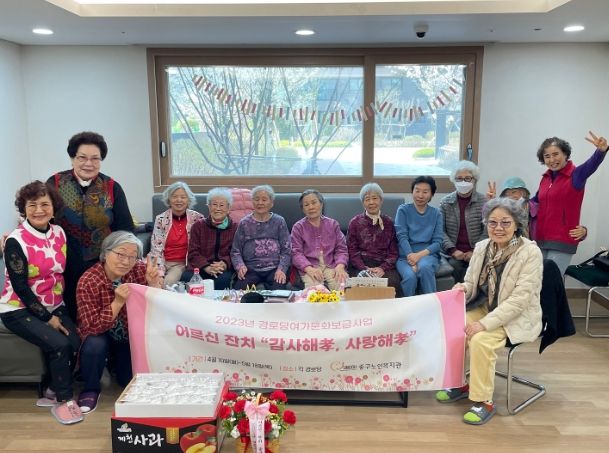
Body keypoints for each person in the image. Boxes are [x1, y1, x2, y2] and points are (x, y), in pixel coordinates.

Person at [435, 197, 543, 425]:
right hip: (484, 305)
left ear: (517, 224)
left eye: (505, 222)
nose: (498, 228)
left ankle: (484, 401)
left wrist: (483, 324)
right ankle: (460, 383)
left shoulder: (530, 253)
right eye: (493, 222)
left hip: (515, 316)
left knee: (480, 340)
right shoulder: (483, 247)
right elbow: (471, 282)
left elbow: (519, 301)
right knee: (454, 329)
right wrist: (463, 288)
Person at [0, 181, 83, 425]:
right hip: (18, 308)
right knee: (60, 345)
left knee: (75, 342)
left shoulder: (59, 233)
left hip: (54, 303)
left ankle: (52, 389)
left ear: (53, 207)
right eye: (32, 205)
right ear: (23, 209)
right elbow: (21, 288)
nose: (39, 210)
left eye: (45, 204)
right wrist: (48, 318)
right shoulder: (16, 241)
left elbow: (65, 271)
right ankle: (64, 400)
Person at [48, 131, 134, 322]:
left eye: (95, 158)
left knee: (97, 316)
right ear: (72, 158)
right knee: (71, 315)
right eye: (82, 157)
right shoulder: (55, 183)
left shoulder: (112, 187)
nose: (89, 163)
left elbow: (126, 230)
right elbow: (42, 216)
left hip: (101, 266)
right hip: (64, 264)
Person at [76, 231, 162, 414]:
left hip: (127, 334)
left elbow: (159, 308)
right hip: (100, 333)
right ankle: (90, 388)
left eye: (132, 257)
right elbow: (93, 327)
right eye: (120, 254)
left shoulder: (140, 269)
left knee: (126, 380)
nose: (126, 261)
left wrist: (154, 285)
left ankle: (113, 365)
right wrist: (117, 303)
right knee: (94, 345)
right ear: (106, 253)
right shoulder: (89, 280)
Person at [532, 131, 608, 274]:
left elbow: (590, 165)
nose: (551, 159)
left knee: (551, 281)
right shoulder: (545, 179)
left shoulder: (576, 175)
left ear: (565, 154)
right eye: (547, 156)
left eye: (556, 154)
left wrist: (600, 151)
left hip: (562, 241)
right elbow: (533, 203)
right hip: (540, 240)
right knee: (537, 281)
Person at [487, 177, 587, 241]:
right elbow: (490, 225)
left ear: (523, 193)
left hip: (536, 252)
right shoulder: (502, 213)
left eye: (514, 192)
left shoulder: (537, 209)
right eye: (507, 194)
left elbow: (557, 223)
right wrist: (491, 203)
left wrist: (583, 232)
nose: (511, 196)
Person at [230, 185, 291, 290]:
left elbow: (287, 250)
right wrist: (240, 266)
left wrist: (281, 269)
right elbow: (235, 251)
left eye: (264, 199)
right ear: (252, 202)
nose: (260, 203)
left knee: (279, 292)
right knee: (239, 293)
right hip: (250, 269)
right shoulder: (244, 223)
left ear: (271, 203)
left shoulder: (279, 221)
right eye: (256, 199)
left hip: (275, 268)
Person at [346, 183, 400, 295]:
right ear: (363, 203)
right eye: (367, 199)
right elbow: (351, 250)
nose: (371, 202)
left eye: (375, 198)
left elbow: (393, 252)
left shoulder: (389, 222)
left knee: (392, 282)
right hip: (360, 265)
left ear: (381, 200)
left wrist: (382, 268)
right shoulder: (354, 222)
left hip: (383, 266)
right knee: (358, 283)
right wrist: (363, 268)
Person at [394, 176, 443, 296]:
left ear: (431, 194)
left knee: (425, 268)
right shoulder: (403, 210)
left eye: (425, 192)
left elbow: (438, 242)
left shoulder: (436, 213)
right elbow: (401, 236)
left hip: (427, 255)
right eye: (417, 191)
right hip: (405, 256)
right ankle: (408, 306)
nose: (420, 195)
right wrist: (412, 257)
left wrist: (418, 256)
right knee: (410, 277)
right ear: (412, 192)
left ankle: (431, 303)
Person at [440, 160, 487, 283]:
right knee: (455, 266)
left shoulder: (483, 201)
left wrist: (474, 251)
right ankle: (458, 295)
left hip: (477, 251)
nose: (463, 182)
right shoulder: (445, 202)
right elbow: (440, 230)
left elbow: (487, 230)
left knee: (479, 268)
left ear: (474, 180)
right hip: (454, 253)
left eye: (467, 178)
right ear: (454, 180)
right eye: (459, 178)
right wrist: (453, 250)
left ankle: (473, 295)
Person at [291, 189, 348, 290]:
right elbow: (296, 253)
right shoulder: (298, 227)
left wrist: (340, 265)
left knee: (342, 286)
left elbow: (341, 249)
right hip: (310, 266)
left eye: (314, 203)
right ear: (303, 209)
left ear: (321, 204)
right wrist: (309, 269)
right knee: (315, 291)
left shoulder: (333, 224)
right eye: (306, 205)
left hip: (332, 265)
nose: (311, 207)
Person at [150, 182, 203, 286]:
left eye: (183, 197)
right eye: (174, 197)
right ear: (169, 199)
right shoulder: (161, 219)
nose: (179, 200)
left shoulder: (197, 218)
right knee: (149, 278)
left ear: (188, 200)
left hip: (180, 264)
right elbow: (156, 248)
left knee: (167, 282)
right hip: (161, 260)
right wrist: (159, 273)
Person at [183, 187, 237, 290]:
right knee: (187, 278)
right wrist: (206, 267)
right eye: (214, 204)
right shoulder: (198, 226)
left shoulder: (235, 227)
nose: (218, 208)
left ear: (229, 208)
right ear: (209, 206)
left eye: (222, 205)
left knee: (222, 281)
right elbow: (193, 252)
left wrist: (225, 264)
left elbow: (236, 252)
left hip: (223, 268)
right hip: (201, 267)